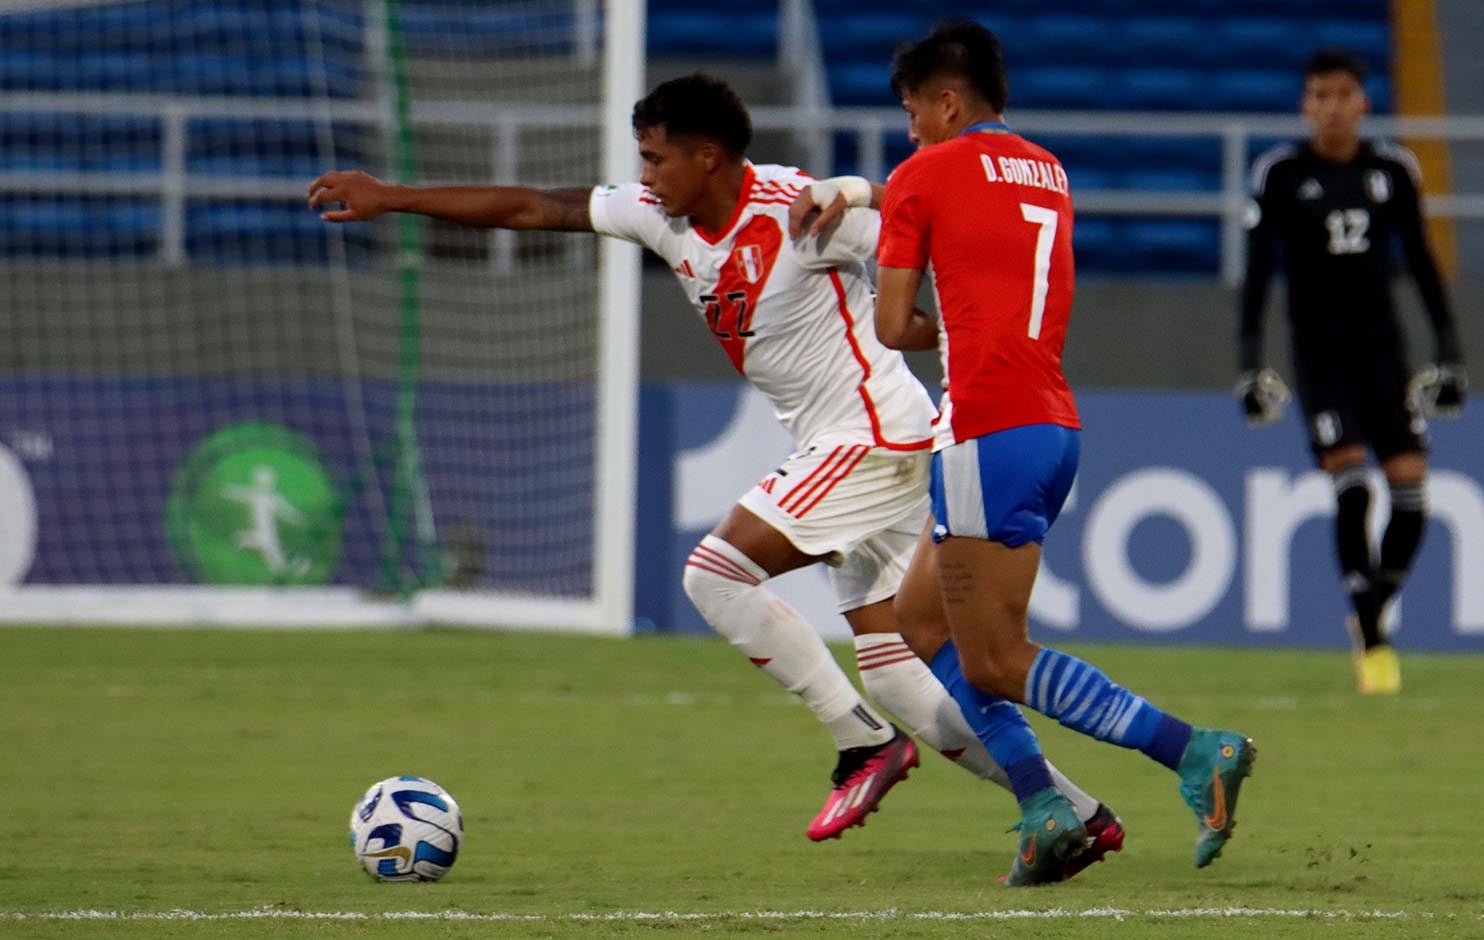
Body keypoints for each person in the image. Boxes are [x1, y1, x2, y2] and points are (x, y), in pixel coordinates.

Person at [307, 73, 1123, 865]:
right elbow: (534, 205)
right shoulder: (662, 216)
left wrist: (947, 295)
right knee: (904, 683)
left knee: (714, 572)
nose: (642, 176)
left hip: (875, 437)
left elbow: (932, 226)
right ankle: (1074, 811)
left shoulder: (799, 214)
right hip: (846, 448)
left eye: (655, 159)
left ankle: (860, 748)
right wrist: (392, 195)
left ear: (707, 157)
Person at [831, 19, 1256, 882]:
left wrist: (878, 226)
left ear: (946, 102)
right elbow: (979, 236)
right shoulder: (1047, 170)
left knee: (993, 657)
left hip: (981, 427)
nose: (909, 128)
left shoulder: (921, 174)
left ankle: (1190, 748)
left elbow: (890, 324)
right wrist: (881, 200)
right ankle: (1044, 808)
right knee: (918, 623)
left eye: (913, 110)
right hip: (1048, 422)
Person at [1237, 47, 1466, 695]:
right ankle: (1373, 641)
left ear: (1362, 103)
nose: (1330, 108)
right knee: (1353, 485)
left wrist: (1448, 352)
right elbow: (1256, 277)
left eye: (1342, 95)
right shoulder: (1279, 174)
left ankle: (1369, 609)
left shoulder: (1392, 170)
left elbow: (1422, 265)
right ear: (1304, 106)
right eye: (1318, 96)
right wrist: (1248, 364)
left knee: (1412, 498)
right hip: (1320, 356)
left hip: (1383, 353)